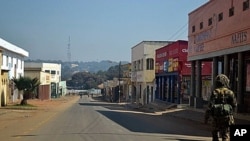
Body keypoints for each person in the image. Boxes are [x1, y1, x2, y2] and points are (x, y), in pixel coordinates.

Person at [204, 74, 237, 141]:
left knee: (215, 135)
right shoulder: (230, 92)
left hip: (216, 118)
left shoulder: (215, 92)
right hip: (226, 118)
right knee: (225, 134)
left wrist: (206, 118)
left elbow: (210, 106)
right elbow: (234, 105)